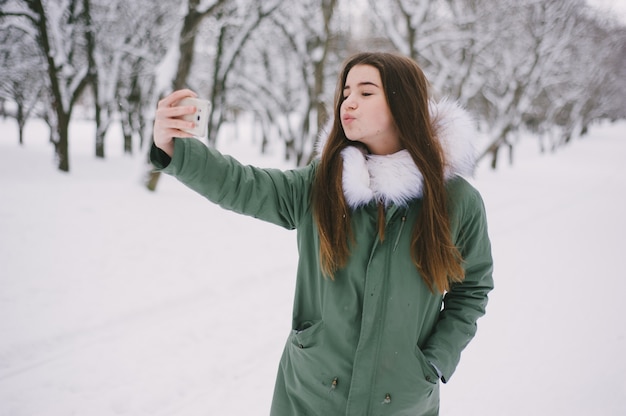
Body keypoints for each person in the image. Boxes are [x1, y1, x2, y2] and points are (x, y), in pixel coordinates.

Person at [151, 52, 493, 416]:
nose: (349, 102)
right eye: (346, 92)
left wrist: (435, 361)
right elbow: (244, 185)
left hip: (402, 402)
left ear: (402, 102)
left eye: (365, 92)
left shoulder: (456, 201)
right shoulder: (322, 185)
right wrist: (175, 149)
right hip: (311, 394)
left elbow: (471, 290)